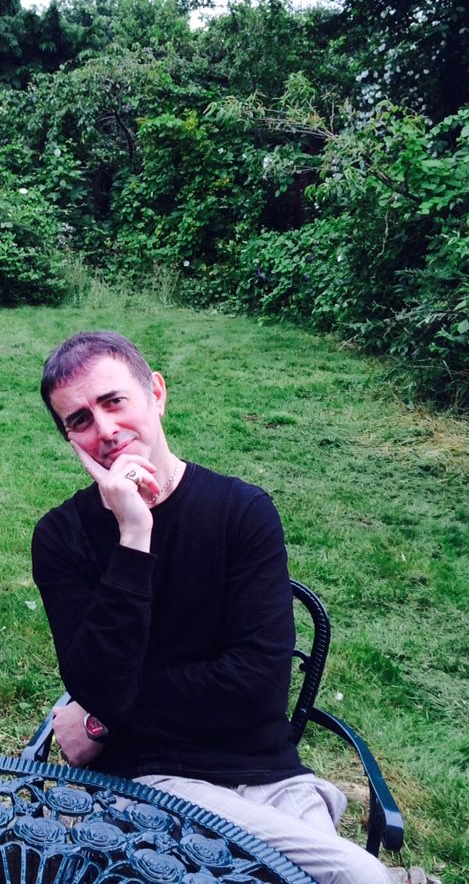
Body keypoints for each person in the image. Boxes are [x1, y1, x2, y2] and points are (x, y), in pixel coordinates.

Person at [32, 331, 390, 884]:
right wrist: (134, 536)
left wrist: (104, 718)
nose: (104, 430)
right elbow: (100, 681)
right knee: (354, 876)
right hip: (151, 782)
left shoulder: (241, 512)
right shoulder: (62, 536)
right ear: (69, 438)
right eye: (79, 420)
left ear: (156, 393)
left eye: (114, 401)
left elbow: (257, 687)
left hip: (270, 777)